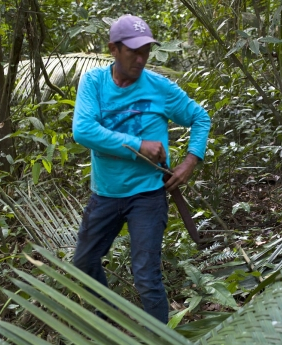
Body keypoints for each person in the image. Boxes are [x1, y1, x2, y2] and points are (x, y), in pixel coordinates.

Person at [72, 14, 210, 323]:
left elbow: (200, 117)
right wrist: (138, 145)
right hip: (105, 194)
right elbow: (83, 131)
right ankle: (107, 322)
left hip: (147, 196)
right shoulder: (94, 82)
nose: (141, 57)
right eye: (133, 50)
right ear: (113, 49)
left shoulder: (159, 88)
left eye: (145, 50)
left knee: (146, 276)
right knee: (83, 262)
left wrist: (190, 161)